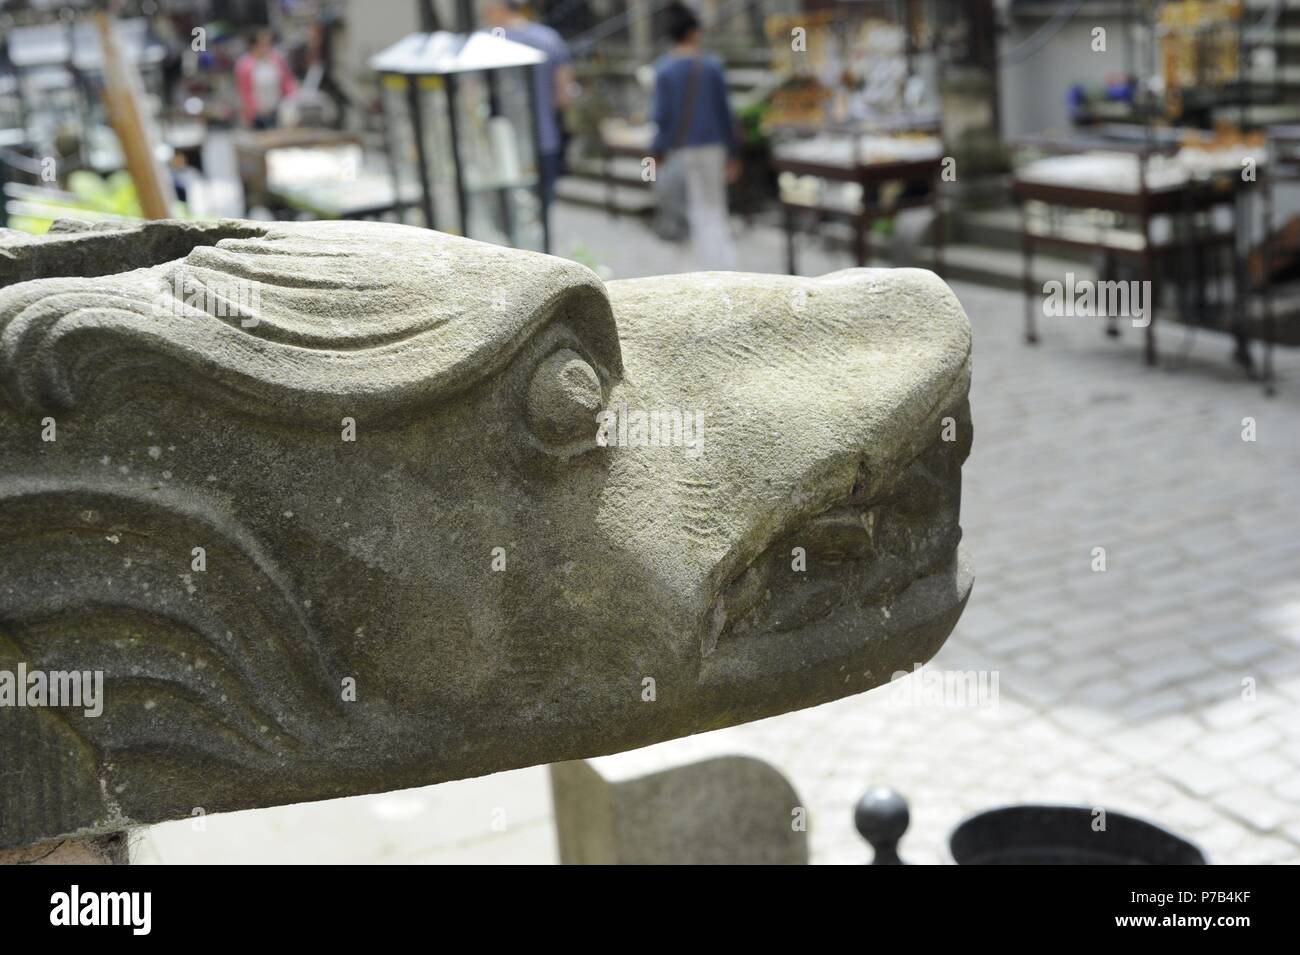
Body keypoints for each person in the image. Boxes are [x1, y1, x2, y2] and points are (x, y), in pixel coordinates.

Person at [650, 2, 739, 270]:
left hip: (681, 150)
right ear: (693, 33)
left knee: (686, 211)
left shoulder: (663, 69)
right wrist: (734, 154)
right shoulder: (711, 67)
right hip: (712, 148)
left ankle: (695, 271)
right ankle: (723, 268)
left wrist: (656, 151)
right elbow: (725, 113)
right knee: (712, 211)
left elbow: (661, 118)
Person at [482, 1, 574, 220]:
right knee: (540, 214)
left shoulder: (486, 41)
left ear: (499, 7)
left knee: (506, 214)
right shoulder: (548, 38)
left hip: (500, 143)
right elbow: (564, 96)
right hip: (544, 138)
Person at [235, 28, 298, 130]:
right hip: (257, 115)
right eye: (263, 44)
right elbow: (244, 92)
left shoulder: (276, 59)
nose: (266, 47)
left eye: (268, 43)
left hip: (277, 110)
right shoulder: (244, 65)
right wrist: (252, 111)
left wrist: (292, 98)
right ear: (254, 45)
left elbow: (287, 81)